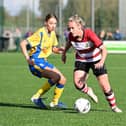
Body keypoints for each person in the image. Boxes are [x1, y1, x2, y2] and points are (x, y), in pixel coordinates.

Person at [62, 14, 122, 113]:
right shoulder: (71, 36)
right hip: (82, 60)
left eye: (72, 28)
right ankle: (89, 91)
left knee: (105, 86)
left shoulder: (89, 34)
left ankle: (114, 107)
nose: (70, 31)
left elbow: (104, 49)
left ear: (79, 26)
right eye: (69, 28)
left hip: (96, 60)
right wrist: (64, 53)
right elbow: (69, 43)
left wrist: (101, 62)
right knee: (77, 83)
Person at [20, 13, 66, 109]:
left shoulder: (52, 33)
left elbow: (53, 49)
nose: (53, 26)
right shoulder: (40, 33)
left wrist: (60, 50)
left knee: (62, 79)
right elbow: (23, 43)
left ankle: (54, 103)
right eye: (51, 23)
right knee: (56, 76)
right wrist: (27, 58)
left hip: (43, 61)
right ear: (46, 23)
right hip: (35, 62)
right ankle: (36, 97)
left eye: (55, 23)